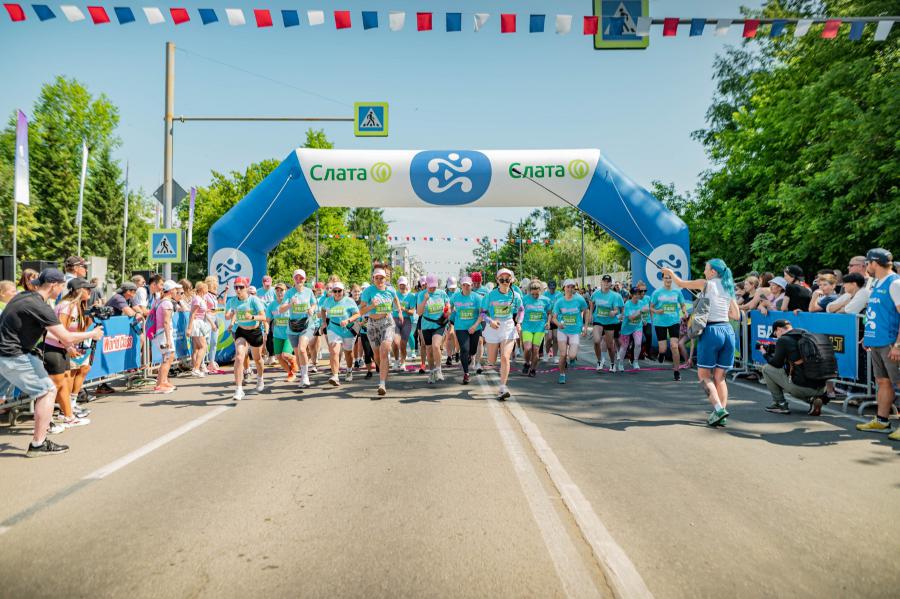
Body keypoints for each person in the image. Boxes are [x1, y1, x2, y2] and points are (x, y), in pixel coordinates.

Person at [0, 269, 104, 456]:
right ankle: (38, 444)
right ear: (54, 285)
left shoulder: (23, 296)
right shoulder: (40, 306)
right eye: (62, 285)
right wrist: (92, 334)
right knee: (47, 391)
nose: (63, 289)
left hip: (8, 353)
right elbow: (66, 336)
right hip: (13, 354)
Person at [663, 259, 740, 427]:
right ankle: (721, 414)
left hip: (711, 331)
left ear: (713, 272)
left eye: (706, 269)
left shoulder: (706, 283)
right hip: (727, 331)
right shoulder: (728, 287)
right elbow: (736, 315)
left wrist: (670, 272)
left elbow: (680, 283)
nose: (704, 272)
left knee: (704, 376)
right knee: (720, 378)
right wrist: (721, 309)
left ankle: (719, 410)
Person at [855, 248, 900, 439]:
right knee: (883, 381)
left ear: (874, 263)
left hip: (891, 343)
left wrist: (898, 345)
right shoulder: (875, 282)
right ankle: (882, 421)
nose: (866, 266)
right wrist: (868, 335)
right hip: (878, 341)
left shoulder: (895, 283)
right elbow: (877, 314)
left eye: (867, 263)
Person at [42, 277, 96, 429]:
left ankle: (67, 416)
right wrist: (69, 346)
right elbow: (60, 331)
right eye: (87, 289)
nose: (90, 291)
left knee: (63, 384)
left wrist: (92, 315)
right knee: (57, 386)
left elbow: (77, 329)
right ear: (78, 290)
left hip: (61, 347)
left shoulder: (76, 306)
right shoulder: (67, 306)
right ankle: (49, 422)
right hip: (53, 348)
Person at [759, 319, 828, 416]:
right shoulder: (806, 335)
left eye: (775, 334)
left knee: (766, 369)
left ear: (779, 329)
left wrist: (764, 354)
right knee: (795, 377)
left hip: (802, 387)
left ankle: (780, 404)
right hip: (822, 388)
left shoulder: (783, 340)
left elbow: (776, 364)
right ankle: (813, 399)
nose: (776, 337)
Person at [480, 268, 523, 400]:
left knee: (505, 356)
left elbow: (521, 310)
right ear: (497, 280)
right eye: (502, 279)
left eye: (507, 279)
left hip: (508, 327)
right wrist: (490, 321)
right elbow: (482, 313)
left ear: (511, 280)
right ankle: (484, 361)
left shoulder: (516, 295)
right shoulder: (490, 295)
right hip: (493, 326)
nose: (505, 281)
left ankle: (503, 387)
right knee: (492, 361)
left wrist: (519, 322)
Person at [359, 268, 403, 396]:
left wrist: (399, 311)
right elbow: (361, 311)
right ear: (373, 279)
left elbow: (396, 299)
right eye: (376, 278)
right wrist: (372, 306)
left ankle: (382, 383)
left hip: (387, 322)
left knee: (384, 350)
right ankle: (384, 370)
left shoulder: (391, 290)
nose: (379, 280)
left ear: (385, 279)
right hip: (372, 324)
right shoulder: (368, 291)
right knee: (377, 355)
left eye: (381, 278)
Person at [225, 277, 267, 400]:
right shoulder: (233, 301)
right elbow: (228, 315)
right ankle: (239, 389)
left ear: (247, 288)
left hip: (254, 331)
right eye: (236, 287)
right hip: (241, 331)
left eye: (241, 287)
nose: (238, 290)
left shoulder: (254, 300)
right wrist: (230, 316)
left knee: (257, 359)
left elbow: (263, 317)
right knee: (239, 357)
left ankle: (260, 378)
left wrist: (252, 317)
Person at [280, 269, 318, 388]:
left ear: (304, 279)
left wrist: (312, 309)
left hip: (307, 324)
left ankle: (305, 377)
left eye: (301, 278)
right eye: (296, 277)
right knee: (297, 354)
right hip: (293, 327)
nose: (299, 280)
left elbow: (314, 303)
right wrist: (290, 304)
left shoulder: (308, 292)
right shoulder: (289, 293)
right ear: (293, 279)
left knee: (302, 349)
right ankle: (302, 374)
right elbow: (281, 309)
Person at [319, 281, 360, 387]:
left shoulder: (349, 301)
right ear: (332, 291)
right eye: (335, 291)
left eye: (339, 291)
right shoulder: (328, 300)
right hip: (333, 328)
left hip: (347, 330)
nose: (337, 293)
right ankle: (335, 376)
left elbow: (357, 314)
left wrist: (348, 320)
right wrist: (324, 322)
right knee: (334, 351)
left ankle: (349, 370)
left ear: (343, 291)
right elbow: (323, 310)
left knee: (348, 353)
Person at [650, 272, 688, 380]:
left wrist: (684, 311)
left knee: (674, 346)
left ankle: (676, 371)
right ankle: (661, 354)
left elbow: (682, 304)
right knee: (663, 349)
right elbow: (651, 307)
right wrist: (657, 311)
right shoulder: (657, 293)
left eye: (670, 278)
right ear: (662, 279)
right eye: (666, 278)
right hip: (660, 322)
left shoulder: (677, 292)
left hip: (674, 321)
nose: (668, 280)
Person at [550, 279, 589, 384]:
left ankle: (572, 358)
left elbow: (586, 311)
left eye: (572, 287)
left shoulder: (579, 299)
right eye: (568, 287)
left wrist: (585, 327)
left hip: (575, 331)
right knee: (563, 354)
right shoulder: (559, 301)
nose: (570, 289)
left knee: (571, 355)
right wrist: (559, 324)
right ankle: (562, 374)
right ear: (564, 288)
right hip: (563, 330)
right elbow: (554, 318)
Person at [417, 274, 451, 384]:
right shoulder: (422, 294)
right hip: (426, 325)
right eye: (430, 286)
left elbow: (448, 306)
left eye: (434, 286)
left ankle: (438, 370)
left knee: (436, 346)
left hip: (439, 324)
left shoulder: (442, 293)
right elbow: (419, 312)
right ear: (426, 284)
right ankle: (431, 372)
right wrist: (425, 300)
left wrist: (448, 310)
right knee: (429, 349)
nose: (432, 288)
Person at [449, 276, 484, 384]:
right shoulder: (455, 296)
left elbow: (482, 314)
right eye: (463, 285)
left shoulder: (477, 297)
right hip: (461, 327)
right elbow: (449, 306)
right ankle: (466, 373)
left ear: (471, 286)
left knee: (472, 350)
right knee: (464, 349)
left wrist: (475, 326)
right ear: (461, 286)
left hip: (475, 327)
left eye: (468, 285)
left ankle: (470, 355)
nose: (465, 287)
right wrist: (450, 313)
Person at [152, 280, 181, 394]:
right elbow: (166, 322)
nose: (177, 291)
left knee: (168, 357)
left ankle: (161, 382)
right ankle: (161, 384)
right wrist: (169, 339)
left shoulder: (162, 301)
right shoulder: (167, 303)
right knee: (168, 357)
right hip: (163, 334)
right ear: (171, 291)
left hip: (162, 333)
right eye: (175, 289)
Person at [590, 274, 624, 372]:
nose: (606, 283)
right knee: (596, 341)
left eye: (608, 282)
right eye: (604, 281)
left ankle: (612, 363)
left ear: (610, 284)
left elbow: (617, 309)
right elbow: (591, 302)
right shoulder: (595, 294)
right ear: (601, 282)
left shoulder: (614, 296)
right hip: (598, 320)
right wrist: (591, 313)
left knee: (609, 345)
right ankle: (599, 361)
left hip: (610, 321)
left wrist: (614, 312)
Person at [267, 282, 297, 382]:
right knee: (279, 357)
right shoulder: (272, 305)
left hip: (290, 334)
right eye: (277, 290)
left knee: (285, 355)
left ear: (286, 291)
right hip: (277, 335)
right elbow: (267, 319)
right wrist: (265, 331)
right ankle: (290, 373)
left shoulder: (291, 302)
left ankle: (294, 359)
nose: (279, 292)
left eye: (282, 290)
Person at [520, 280, 550, 378]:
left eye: (537, 294)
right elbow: (520, 311)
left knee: (536, 349)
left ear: (540, 291)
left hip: (540, 327)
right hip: (527, 326)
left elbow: (549, 312)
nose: (535, 296)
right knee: (527, 348)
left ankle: (533, 369)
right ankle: (527, 363)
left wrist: (548, 322)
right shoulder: (525, 299)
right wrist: (518, 319)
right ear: (529, 291)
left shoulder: (546, 300)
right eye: (533, 294)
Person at [617, 287, 649, 372]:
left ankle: (635, 361)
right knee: (624, 346)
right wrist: (640, 311)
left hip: (637, 327)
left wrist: (643, 319)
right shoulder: (627, 304)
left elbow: (646, 309)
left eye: (638, 294)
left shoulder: (641, 303)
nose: (637, 296)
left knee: (638, 344)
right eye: (635, 294)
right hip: (627, 327)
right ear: (631, 295)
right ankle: (620, 363)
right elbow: (631, 317)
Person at [187, 281, 212, 377]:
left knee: (197, 348)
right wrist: (189, 328)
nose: (207, 290)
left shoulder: (199, 298)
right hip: (197, 323)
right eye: (206, 288)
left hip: (198, 323)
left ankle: (195, 368)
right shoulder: (197, 299)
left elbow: (199, 312)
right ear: (202, 289)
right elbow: (193, 313)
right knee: (203, 346)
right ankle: (196, 368)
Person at [391, 276, 416, 372]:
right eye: (400, 284)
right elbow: (389, 307)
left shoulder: (411, 296)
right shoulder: (394, 294)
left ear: (406, 285)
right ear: (398, 285)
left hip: (406, 321)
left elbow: (412, 312)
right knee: (395, 343)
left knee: (403, 345)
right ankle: (396, 361)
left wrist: (403, 309)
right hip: (395, 319)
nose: (402, 286)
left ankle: (403, 363)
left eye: (404, 284)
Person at [542, 280, 562, 360]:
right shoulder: (545, 294)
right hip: (547, 319)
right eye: (550, 288)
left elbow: (561, 305)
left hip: (556, 319)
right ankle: (546, 353)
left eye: (553, 288)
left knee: (555, 338)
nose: (552, 290)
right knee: (549, 338)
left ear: (555, 287)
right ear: (548, 287)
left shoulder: (559, 294)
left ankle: (555, 356)